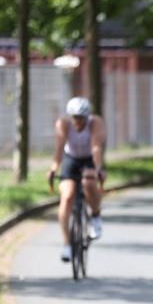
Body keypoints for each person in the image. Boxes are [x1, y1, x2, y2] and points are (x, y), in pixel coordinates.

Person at [47, 97, 106, 262]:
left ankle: (95, 216)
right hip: (71, 158)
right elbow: (59, 148)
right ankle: (67, 244)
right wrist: (53, 168)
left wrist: (98, 168)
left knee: (88, 182)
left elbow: (96, 147)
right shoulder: (63, 124)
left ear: (87, 117)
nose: (78, 121)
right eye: (75, 117)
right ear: (70, 117)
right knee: (67, 197)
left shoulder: (96, 123)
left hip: (89, 158)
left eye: (81, 118)